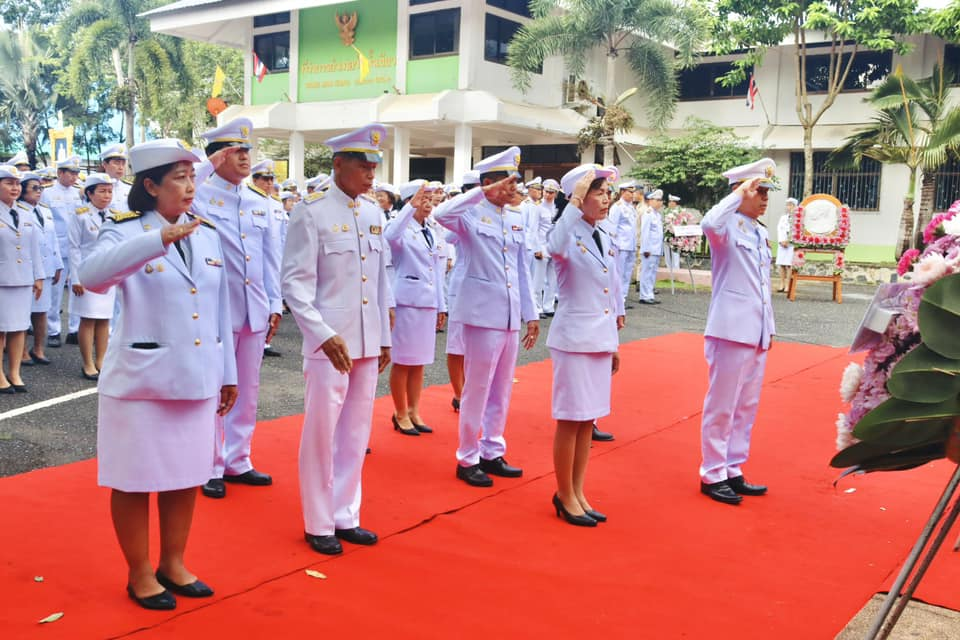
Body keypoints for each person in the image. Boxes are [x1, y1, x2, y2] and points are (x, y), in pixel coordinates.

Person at [79, 138, 238, 610]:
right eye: (179, 179)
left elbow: (218, 308)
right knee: (133, 479)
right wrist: (157, 240)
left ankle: (173, 562)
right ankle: (140, 572)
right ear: (150, 186)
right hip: (141, 383)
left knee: (185, 474)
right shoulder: (124, 229)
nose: (191, 187)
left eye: (192, 176)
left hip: (195, 376)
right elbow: (93, 276)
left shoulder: (205, 233)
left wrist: (227, 373)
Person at [281, 123, 391, 555]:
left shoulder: (372, 212)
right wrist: (322, 335)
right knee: (322, 433)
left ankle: (346, 514)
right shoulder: (311, 211)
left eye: (374, 166)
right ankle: (318, 520)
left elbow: (380, 282)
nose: (370, 174)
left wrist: (383, 338)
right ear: (338, 163)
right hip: (331, 344)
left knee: (355, 433)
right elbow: (295, 284)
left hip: (364, 342)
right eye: (363, 165)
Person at [433, 146, 539, 488]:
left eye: (516, 182)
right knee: (476, 389)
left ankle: (493, 449)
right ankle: (467, 456)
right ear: (489, 184)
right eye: (508, 182)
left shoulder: (515, 218)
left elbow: (522, 270)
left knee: (502, 388)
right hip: (481, 315)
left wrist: (530, 312)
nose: (514, 188)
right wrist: (480, 192)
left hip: (508, 314)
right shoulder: (470, 214)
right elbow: (441, 214)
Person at [192, 118, 282, 499]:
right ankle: (209, 463)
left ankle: (238, 459)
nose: (245, 158)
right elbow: (173, 189)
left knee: (248, 386)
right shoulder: (198, 195)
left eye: (247, 150)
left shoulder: (260, 202)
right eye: (236, 151)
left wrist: (276, 303)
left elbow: (269, 258)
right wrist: (207, 163)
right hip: (216, 308)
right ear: (218, 156)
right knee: (215, 388)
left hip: (254, 307)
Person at [547, 165, 624, 527]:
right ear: (578, 197)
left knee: (587, 421)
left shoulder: (602, 234)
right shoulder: (568, 233)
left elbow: (610, 292)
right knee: (570, 419)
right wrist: (575, 200)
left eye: (608, 192)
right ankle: (564, 494)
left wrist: (613, 343)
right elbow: (553, 246)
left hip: (598, 339)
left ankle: (578, 491)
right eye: (599, 192)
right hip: (574, 339)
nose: (606, 198)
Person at [698, 159, 777, 506]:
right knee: (722, 406)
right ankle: (712, 472)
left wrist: (768, 327)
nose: (764, 198)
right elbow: (708, 221)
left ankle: (733, 467)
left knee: (746, 406)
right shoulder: (725, 227)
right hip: (730, 331)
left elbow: (762, 287)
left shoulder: (759, 231)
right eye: (758, 191)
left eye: (765, 192)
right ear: (740, 191)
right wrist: (737, 195)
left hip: (755, 331)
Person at [385, 180, 447, 436]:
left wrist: (442, 306)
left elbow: (438, 270)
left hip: (428, 301)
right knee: (403, 361)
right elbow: (389, 237)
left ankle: (414, 409)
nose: (429, 202)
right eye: (424, 198)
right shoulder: (401, 227)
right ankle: (400, 412)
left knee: (419, 361)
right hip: (407, 302)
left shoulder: (431, 228)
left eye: (431, 198)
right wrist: (409, 208)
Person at [0, 166, 44, 392]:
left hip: (23, 280)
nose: (15, 188)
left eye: (17, 183)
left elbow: (34, 249)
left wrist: (38, 276)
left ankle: (14, 372)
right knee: (0, 330)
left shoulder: (26, 214)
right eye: (8, 183)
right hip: (2, 281)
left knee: (19, 328)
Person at [70, 173, 116, 380]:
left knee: (104, 319)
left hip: (107, 273)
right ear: (89, 193)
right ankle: (87, 362)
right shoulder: (80, 215)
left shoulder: (115, 215)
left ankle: (101, 360)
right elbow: (74, 248)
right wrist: (76, 278)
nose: (107, 195)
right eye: (102, 191)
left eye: (109, 191)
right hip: (87, 272)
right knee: (88, 319)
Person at [18, 172, 61, 366]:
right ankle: (21, 351)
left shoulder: (45, 210)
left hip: (47, 268)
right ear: (23, 190)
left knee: (42, 310)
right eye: (34, 188)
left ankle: (38, 348)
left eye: (41, 188)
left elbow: (54, 240)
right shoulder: (17, 211)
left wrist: (58, 264)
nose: (39, 192)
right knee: (23, 312)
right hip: (27, 269)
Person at [41, 156, 82, 348]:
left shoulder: (78, 193)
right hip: (56, 248)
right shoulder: (47, 193)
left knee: (77, 289)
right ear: (60, 173)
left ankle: (75, 329)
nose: (74, 177)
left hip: (76, 247)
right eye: (71, 173)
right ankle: (53, 330)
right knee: (55, 291)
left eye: (76, 173)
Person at [251, 160, 285, 359]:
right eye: (265, 179)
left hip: (275, 261)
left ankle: (266, 340)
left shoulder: (276, 204)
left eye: (271, 179)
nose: (269, 183)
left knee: (272, 302)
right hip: (256, 262)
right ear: (254, 180)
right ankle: (259, 340)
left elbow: (280, 237)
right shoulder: (249, 202)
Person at [606, 180, 638, 310]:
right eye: (630, 192)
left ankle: (622, 299)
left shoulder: (631, 207)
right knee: (618, 273)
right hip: (620, 245)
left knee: (626, 274)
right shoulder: (617, 207)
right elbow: (612, 227)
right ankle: (614, 300)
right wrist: (613, 246)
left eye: (633, 192)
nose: (632, 195)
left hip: (630, 245)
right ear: (623, 192)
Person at [638, 189, 664, 304]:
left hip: (656, 249)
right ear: (650, 201)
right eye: (657, 200)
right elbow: (645, 233)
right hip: (649, 249)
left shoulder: (657, 215)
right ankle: (644, 295)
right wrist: (645, 249)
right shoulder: (648, 214)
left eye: (661, 200)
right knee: (646, 272)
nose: (660, 203)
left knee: (652, 273)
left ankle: (649, 294)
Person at [99, 144, 132, 211]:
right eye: (116, 163)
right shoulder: (95, 188)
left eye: (123, 164)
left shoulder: (129, 188)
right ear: (105, 164)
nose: (121, 167)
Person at [776, 197, 798, 293]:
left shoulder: (797, 219)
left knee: (789, 265)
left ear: (794, 206)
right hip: (782, 243)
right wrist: (781, 241)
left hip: (791, 244)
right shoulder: (783, 217)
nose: (788, 207)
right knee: (781, 264)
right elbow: (779, 229)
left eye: (790, 205)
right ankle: (781, 284)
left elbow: (797, 231)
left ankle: (788, 285)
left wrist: (789, 241)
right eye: (787, 205)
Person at [664, 195, 684, 271]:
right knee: (667, 252)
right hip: (666, 235)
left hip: (675, 236)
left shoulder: (680, 212)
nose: (669, 203)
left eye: (670, 202)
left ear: (674, 203)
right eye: (669, 202)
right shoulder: (666, 211)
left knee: (675, 252)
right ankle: (668, 268)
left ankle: (676, 269)